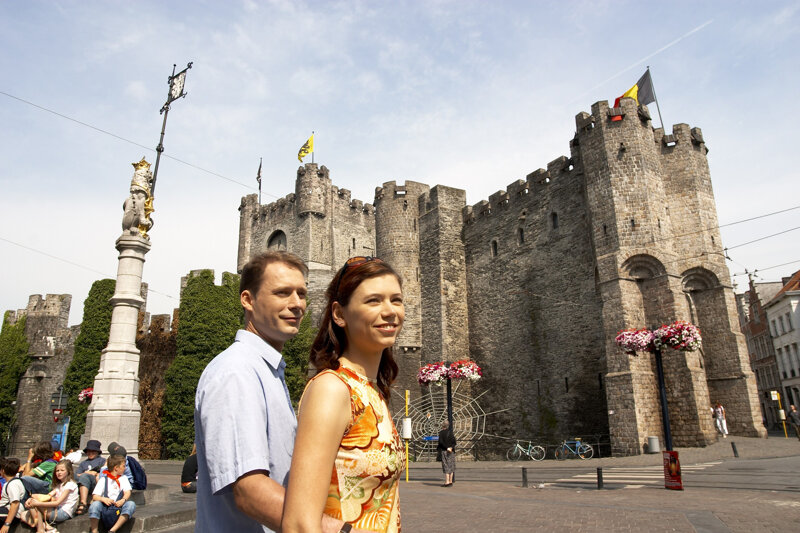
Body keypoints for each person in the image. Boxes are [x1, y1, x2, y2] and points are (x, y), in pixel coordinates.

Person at [195, 251, 349, 533]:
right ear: (248, 300)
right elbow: (250, 491)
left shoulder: (266, 371)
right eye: (282, 293)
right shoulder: (236, 372)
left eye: (301, 293)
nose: (297, 304)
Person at [283, 256, 405, 533]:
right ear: (339, 314)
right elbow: (300, 523)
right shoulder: (333, 389)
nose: (390, 311)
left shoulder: (371, 390)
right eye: (373, 301)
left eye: (396, 300)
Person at [23, 459, 79, 533]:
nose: (59, 473)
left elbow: (57, 503)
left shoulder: (70, 485)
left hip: (64, 512)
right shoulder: (59, 485)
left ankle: (40, 530)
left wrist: (37, 503)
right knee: (23, 514)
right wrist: (31, 499)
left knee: (35, 506)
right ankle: (47, 527)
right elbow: (47, 496)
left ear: (68, 471)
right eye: (57, 471)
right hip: (56, 509)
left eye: (62, 470)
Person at [88, 454, 134, 533]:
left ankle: (112, 530)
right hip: (105, 507)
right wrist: (103, 499)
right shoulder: (103, 479)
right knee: (95, 505)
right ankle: (94, 530)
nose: (125, 468)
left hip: (118, 507)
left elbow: (127, 491)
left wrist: (123, 500)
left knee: (131, 504)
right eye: (123, 466)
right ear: (116, 468)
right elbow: (95, 496)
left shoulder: (123, 478)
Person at [74, 440, 105, 516]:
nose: (90, 453)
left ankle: (83, 502)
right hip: (83, 481)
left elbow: (103, 474)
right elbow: (78, 474)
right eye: (88, 451)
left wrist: (93, 473)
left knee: (85, 476)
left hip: (95, 483)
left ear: (97, 452)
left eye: (93, 451)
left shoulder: (102, 461)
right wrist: (87, 472)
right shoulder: (83, 463)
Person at [1, 458, 24, 533]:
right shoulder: (12, 482)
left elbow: (15, 503)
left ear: (3, 471)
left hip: (10, 513)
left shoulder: (13, 484)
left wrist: (7, 524)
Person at [438, 420, 457, 487]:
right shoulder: (450, 432)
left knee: (446, 465)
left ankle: (447, 482)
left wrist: (446, 448)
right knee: (451, 466)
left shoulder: (441, 433)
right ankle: (451, 481)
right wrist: (451, 447)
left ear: (442, 426)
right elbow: (454, 442)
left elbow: (441, 442)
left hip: (444, 451)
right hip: (451, 451)